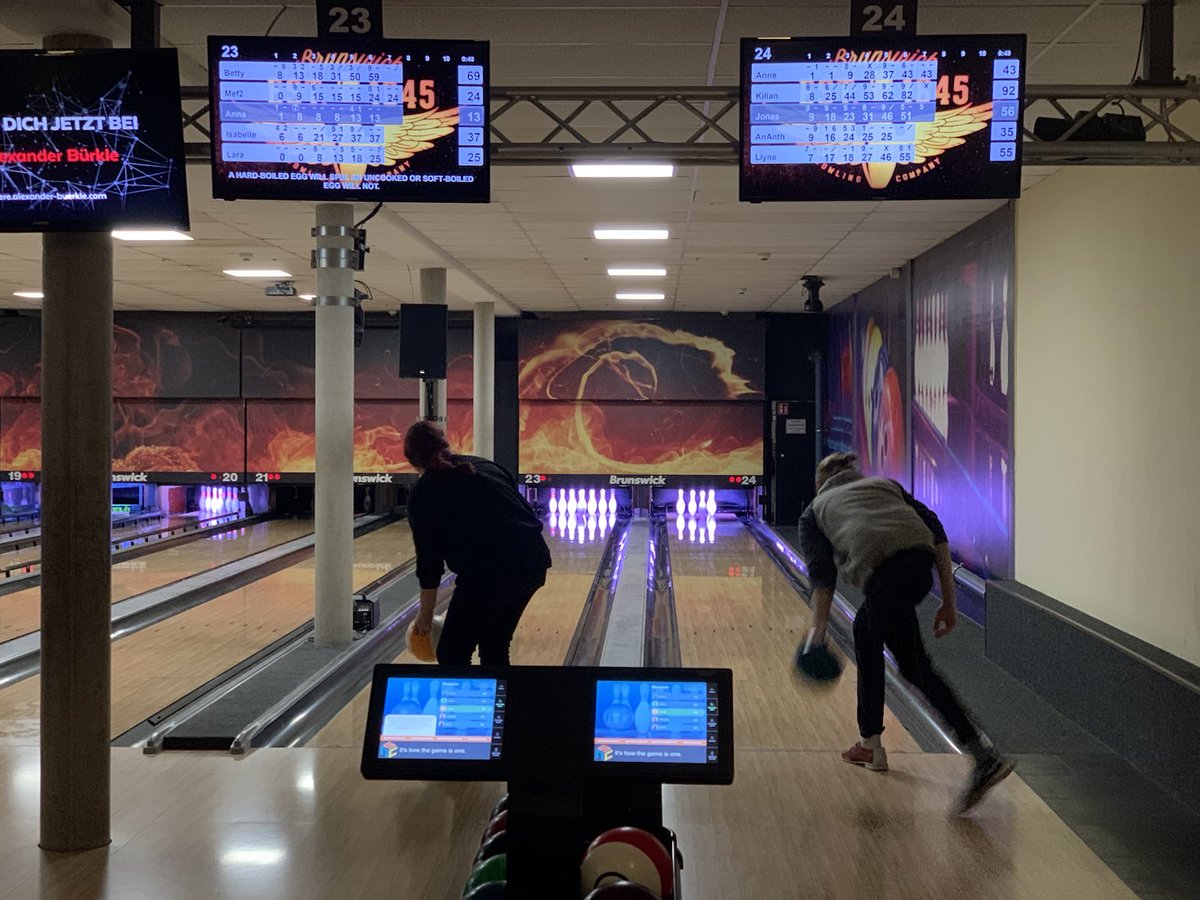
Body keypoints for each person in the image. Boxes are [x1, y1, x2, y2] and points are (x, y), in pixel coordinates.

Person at [797, 451, 1012, 814]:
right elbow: (937, 533)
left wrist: (816, 631)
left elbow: (823, 576)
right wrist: (948, 600)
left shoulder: (815, 510)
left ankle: (981, 755)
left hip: (886, 574)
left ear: (820, 483)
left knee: (911, 665)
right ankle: (872, 743)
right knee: (870, 634)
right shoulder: (884, 485)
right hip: (917, 567)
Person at [404, 420, 551, 666]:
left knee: (451, 653)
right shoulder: (484, 465)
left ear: (412, 461)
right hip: (534, 562)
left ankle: (468, 704)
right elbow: (519, 511)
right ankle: (503, 703)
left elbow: (429, 563)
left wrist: (426, 614)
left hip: (490, 573)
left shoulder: (424, 490)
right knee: (495, 644)